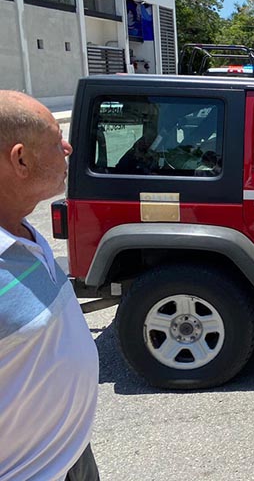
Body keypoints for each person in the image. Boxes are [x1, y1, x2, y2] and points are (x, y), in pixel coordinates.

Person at [0, 91, 100, 480]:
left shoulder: (22, 228)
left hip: (71, 453)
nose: (68, 146)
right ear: (20, 159)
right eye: (56, 138)